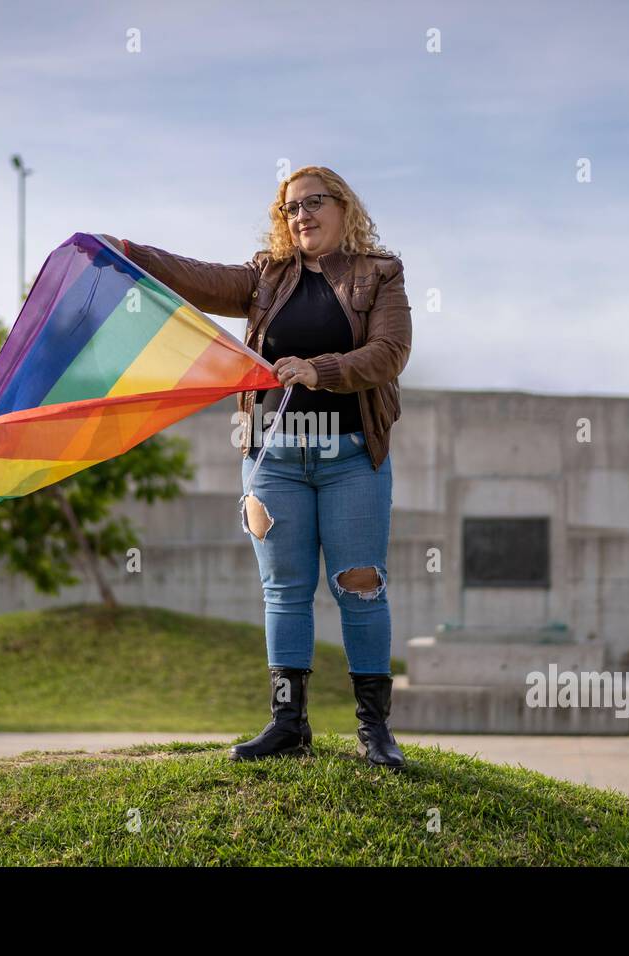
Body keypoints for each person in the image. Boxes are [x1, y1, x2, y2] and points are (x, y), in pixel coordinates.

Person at [102, 165, 412, 769]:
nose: (301, 216)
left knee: (360, 585)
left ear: (344, 207)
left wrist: (319, 370)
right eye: (290, 208)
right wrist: (129, 252)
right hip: (272, 459)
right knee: (284, 591)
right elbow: (195, 278)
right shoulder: (264, 276)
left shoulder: (380, 274)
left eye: (313, 203)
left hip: (351, 456)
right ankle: (288, 725)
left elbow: (390, 352)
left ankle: (375, 731)